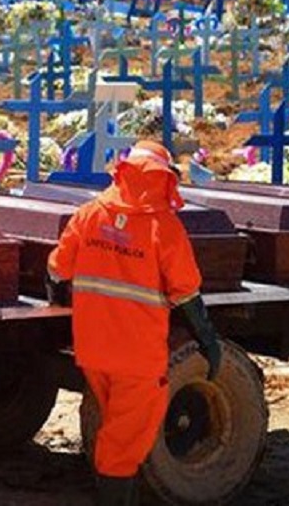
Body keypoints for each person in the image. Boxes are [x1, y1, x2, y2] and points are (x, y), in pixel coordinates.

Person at [47, 140, 222, 506]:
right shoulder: (164, 228)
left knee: (115, 428)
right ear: (164, 179)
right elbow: (186, 292)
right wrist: (208, 339)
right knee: (124, 444)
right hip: (138, 358)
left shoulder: (90, 214)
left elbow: (57, 269)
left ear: (124, 172)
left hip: (93, 350)